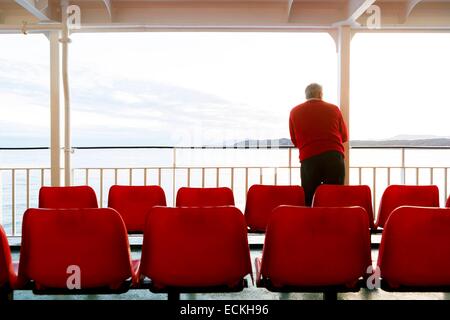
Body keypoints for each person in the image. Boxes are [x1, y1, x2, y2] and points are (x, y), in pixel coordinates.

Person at [289, 83, 348, 206]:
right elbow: (344, 136)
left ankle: (312, 222)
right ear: (321, 94)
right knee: (334, 196)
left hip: (309, 157)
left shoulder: (295, 111)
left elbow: (294, 140)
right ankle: (333, 223)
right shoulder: (334, 109)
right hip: (333, 156)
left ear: (306, 96)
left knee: (310, 197)